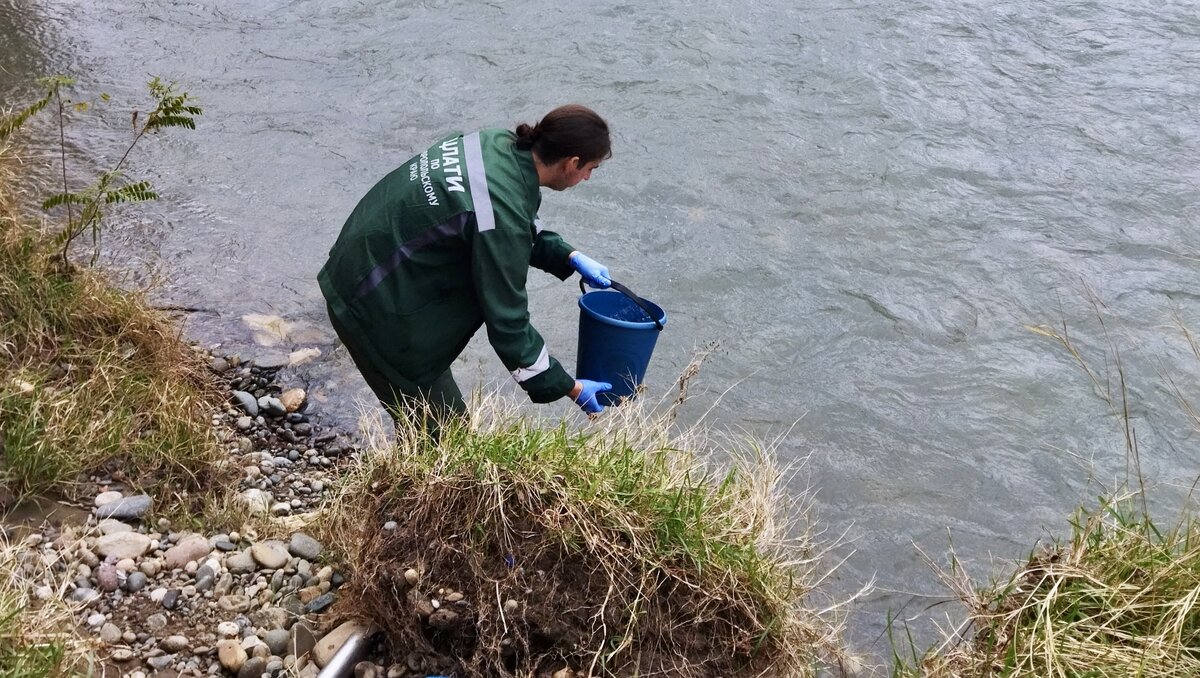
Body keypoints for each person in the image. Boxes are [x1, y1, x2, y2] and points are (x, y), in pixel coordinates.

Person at [317, 104, 615, 432]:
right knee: (447, 435)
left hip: (359, 261)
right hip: (371, 305)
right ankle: (406, 479)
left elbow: (506, 222)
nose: (587, 177)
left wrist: (568, 256)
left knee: (434, 423)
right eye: (591, 169)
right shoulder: (502, 212)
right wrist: (568, 387)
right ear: (572, 163)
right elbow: (509, 326)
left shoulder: (498, 144)